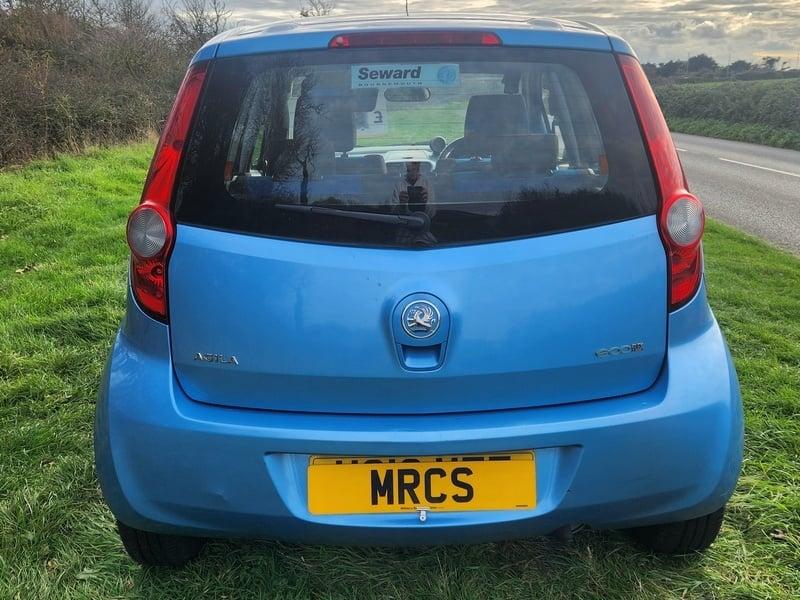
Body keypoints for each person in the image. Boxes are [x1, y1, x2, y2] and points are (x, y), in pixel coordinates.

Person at [390, 161, 437, 246]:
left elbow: (433, 214)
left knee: (432, 245)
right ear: (405, 170)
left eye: (415, 169)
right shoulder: (399, 184)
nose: (412, 172)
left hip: (424, 227)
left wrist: (425, 203)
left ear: (419, 168)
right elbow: (393, 215)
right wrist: (402, 205)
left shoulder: (427, 183)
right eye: (409, 170)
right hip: (404, 227)